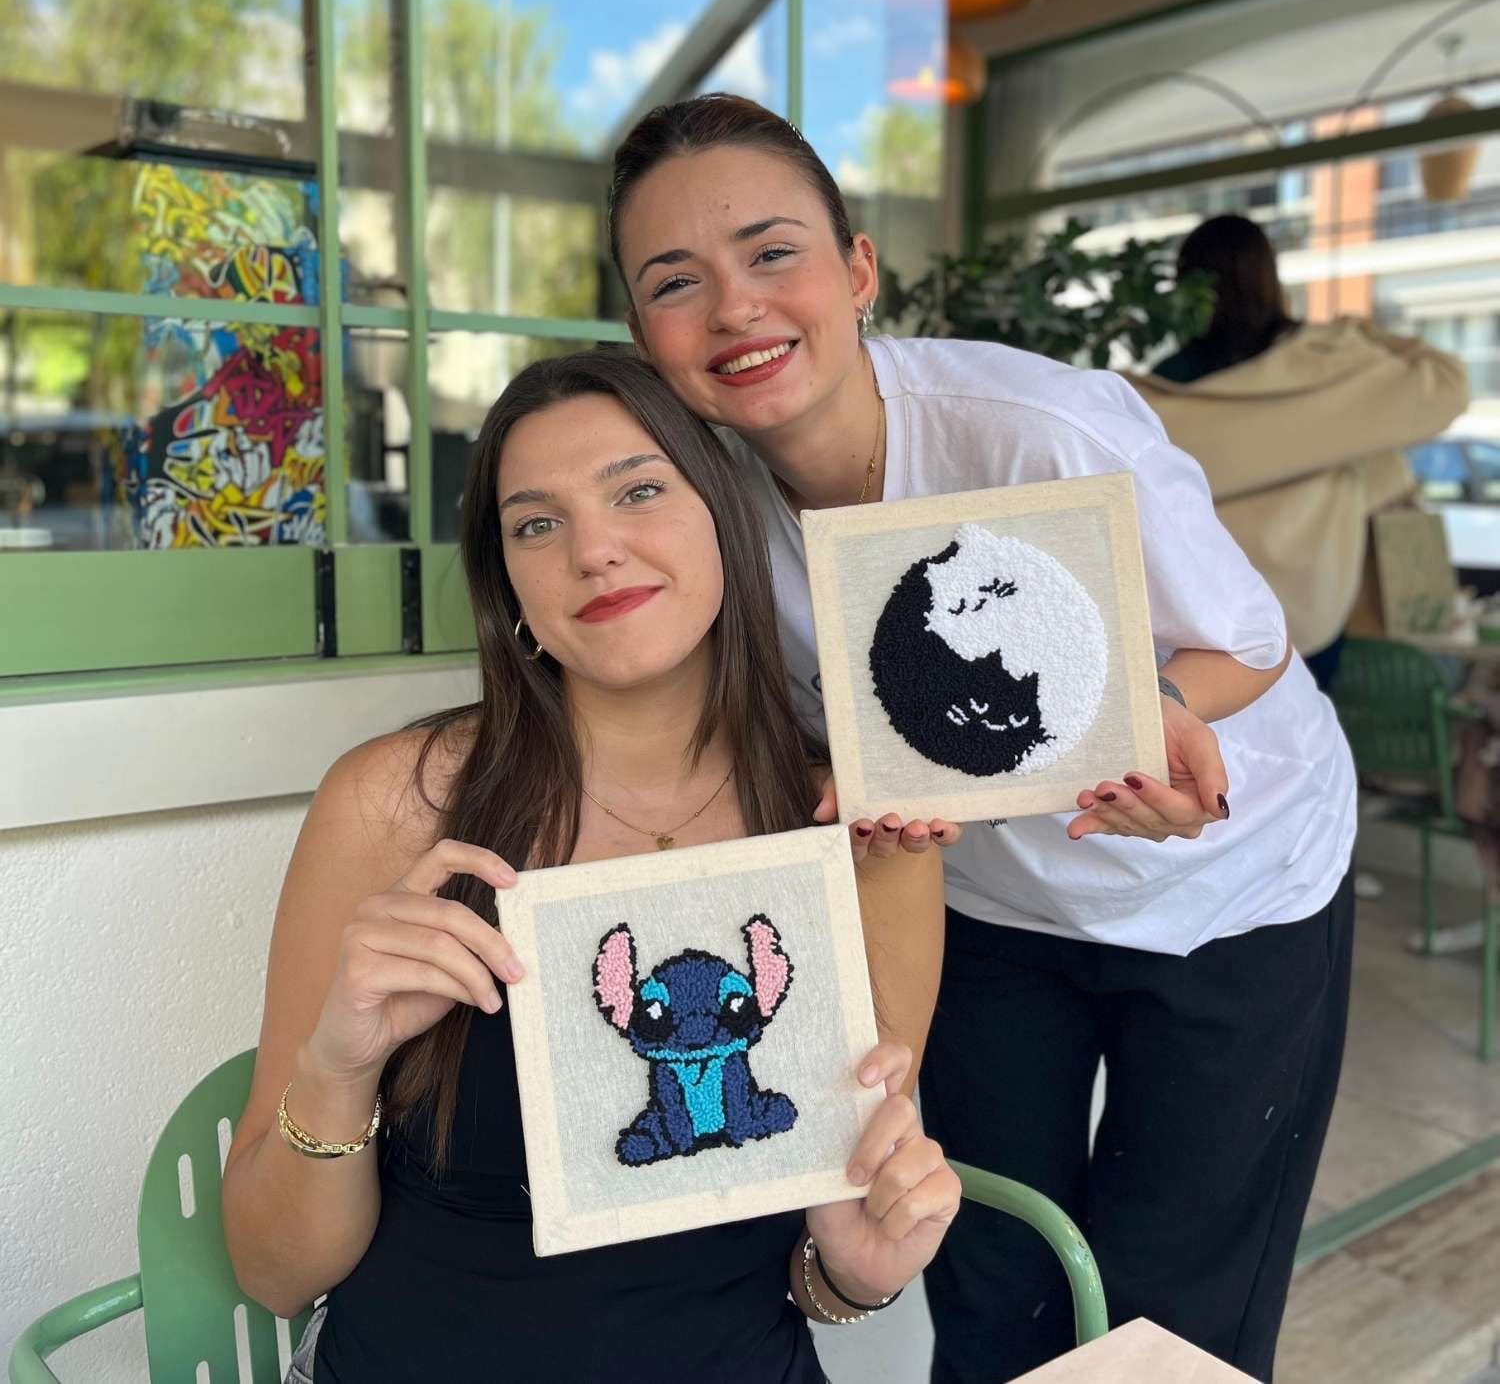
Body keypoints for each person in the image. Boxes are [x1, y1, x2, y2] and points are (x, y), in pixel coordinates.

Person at [607, 93, 1358, 1384]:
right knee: (994, 1266)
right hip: (989, 904)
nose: (734, 307)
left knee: (1173, 1302)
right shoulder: (698, 501)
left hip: (1230, 880)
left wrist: (1158, 714)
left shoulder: (1032, 429)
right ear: (640, 330)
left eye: (773, 252)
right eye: (676, 281)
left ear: (857, 271)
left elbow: (1251, 639)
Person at [221, 351, 955, 1384]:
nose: (595, 550)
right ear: (509, 584)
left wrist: (855, 1273)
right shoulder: (395, 806)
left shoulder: (861, 832)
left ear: (725, 520)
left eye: (639, 491)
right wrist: (337, 1070)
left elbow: (824, 1248)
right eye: (536, 524)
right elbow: (272, 1274)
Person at [1141, 213, 1468, 690]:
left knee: (1199, 735)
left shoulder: (1167, 385)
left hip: (1207, 616)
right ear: (1270, 278)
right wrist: (1362, 330)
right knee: (1301, 734)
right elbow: (1448, 383)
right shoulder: (1330, 360)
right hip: (1312, 615)